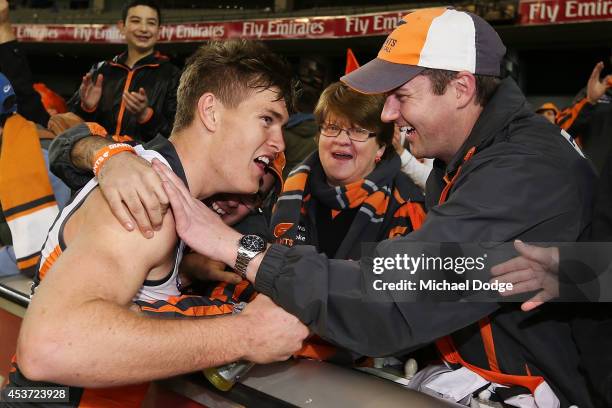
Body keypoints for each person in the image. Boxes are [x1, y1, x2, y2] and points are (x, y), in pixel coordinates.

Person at [139, 8, 596, 406]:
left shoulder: (523, 169)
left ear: (460, 88)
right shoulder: (469, 155)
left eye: (401, 96)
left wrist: (238, 249)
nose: (388, 115)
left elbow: (394, 298)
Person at [3, 40, 308, 407]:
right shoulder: (148, 199)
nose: (278, 143)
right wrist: (245, 334)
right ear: (210, 112)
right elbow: (48, 348)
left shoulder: (154, 178)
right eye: (267, 119)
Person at [67, 0, 180, 142]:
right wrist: (87, 108)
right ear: (122, 27)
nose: (144, 28)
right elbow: (71, 123)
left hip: (144, 161)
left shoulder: (172, 75)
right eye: (136, 21)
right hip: (98, 157)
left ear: (159, 30)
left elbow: (179, 134)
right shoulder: (101, 70)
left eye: (151, 23)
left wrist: (146, 116)